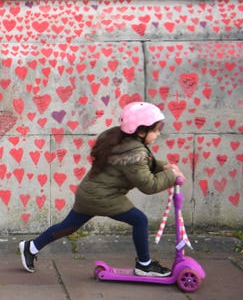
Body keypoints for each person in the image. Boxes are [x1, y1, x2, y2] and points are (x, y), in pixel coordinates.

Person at [19, 102, 184, 277]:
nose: (158, 133)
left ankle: (31, 247)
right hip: (103, 198)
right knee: (140, 220)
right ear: (141, 131)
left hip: (90, 193)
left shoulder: (121, 139)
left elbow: (144, 164)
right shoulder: (134, 153)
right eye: (156, 130)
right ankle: (144, 265)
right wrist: (172, 176)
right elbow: (149, 185)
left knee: (68, 227)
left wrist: (164, 167)